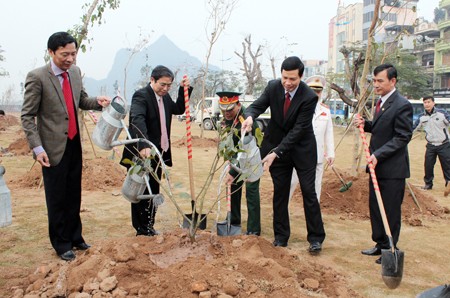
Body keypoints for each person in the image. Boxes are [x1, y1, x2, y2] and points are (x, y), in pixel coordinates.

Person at [21, 31, 111, 261]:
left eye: (74, 54)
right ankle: (61, 243)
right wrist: (37, 148)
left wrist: (98, 103)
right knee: (57, 196)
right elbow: (27, 116)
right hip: (51, 148)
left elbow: (81, 100)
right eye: (65, 55)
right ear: (51, 52)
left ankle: (76, 237)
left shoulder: (75, 73)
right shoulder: (37, 77)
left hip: (73, 143)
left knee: (73, 194)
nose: (70, 59)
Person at [241, 56, 325, 253]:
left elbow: (298, 130)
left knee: (309, 193)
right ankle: (281, 237)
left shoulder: (309, 97)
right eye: (284, 78)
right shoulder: (273, 87)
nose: (287, 83)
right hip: (277, 146)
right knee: (280, 193)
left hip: (302, 149)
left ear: (301, 77)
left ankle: (316, 238)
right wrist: (250, 117)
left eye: (293, 79)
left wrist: (276, 153)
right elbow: (255, 106)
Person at [120, 65, 192, 236]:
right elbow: (137, 120)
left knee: (154, 190)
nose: (166, 89)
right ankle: (141, 229)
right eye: (162, 85)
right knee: (141, 192)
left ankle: (149, 225)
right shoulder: (141, 96)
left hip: (158, 153)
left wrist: (184, 89)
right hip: (141, 153)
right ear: (152, 80)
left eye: (169, 86)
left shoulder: (165, 98)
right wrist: (143, 145)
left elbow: (179, 109)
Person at [353, 63, 413, 265]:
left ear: (392, 81)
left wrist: (379, 154)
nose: (375, 85)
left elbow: (402, 136)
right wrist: (365, 124)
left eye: (380, 81)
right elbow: (381, 129)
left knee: (390, 210)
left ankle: (390, 248)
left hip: (393, 169)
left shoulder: (402, 104)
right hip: (376, 166)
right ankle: (379, 243)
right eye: (374, 80)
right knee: (376, 208)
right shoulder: (381, 103)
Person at [218, 91, 261, 236]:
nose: (226, 113)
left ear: (238, 105)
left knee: (251, 193)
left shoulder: (246, 120)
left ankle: (254, 229)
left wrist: (232, 171)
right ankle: (234, 220)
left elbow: (245, 149)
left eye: (230, 109)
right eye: (223, 109)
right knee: (233, 189)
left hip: (250, 161)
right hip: (236, 160)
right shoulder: (228, 119)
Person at [289, 78, 335, 202]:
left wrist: (331, 153)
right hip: (297, 155)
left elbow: (329, 133)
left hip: (317, 156)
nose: (315, 94)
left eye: (318, 91)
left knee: (315, 187)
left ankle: (314, 217)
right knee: (291, 183)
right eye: (312, 91)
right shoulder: (296, 108)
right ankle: (282, 211)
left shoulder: (325, 111)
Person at [412, 96, 450, 195]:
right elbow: (413, 128)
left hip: (444, 144)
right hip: (431, 145)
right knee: (428, 165)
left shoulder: (442, 114)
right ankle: (428, 184)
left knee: (447, 165)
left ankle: (448, 183)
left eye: (428, 102)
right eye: (425, 102)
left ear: (433, 103)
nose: (427, 104)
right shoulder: (421, 117)